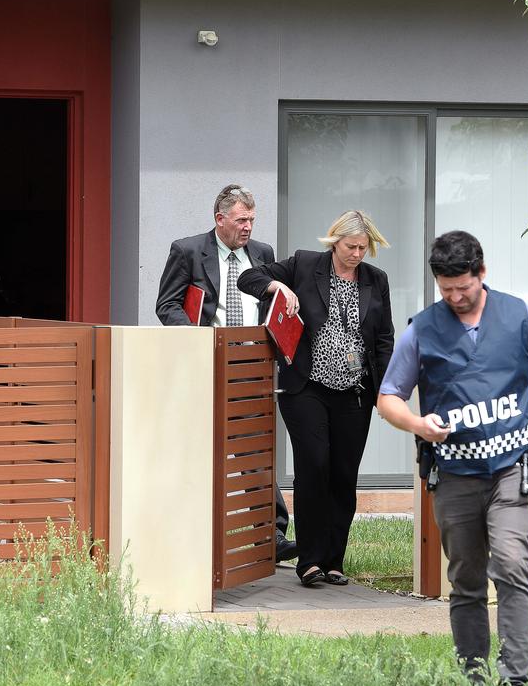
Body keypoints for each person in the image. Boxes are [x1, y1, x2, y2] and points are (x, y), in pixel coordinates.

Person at [377, 230, 528, 686]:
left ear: (482, 274)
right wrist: (417, 424)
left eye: (463, 288)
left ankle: (516, 683)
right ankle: (475, 680)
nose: (455, 297)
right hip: (454, 474)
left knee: (511, 564)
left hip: (514, 466)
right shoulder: (422, 329)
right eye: (446, 289)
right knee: (466, 579)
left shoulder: (520, 317)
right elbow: (388, 397)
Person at [238, 210, 394, 586]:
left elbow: (384, 338)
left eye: (363, 247)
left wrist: (388, 391)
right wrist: (279, 288)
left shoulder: (376, 280)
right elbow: (249, 277)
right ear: (334, 241)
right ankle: (308, 561)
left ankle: (334, 560)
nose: (357, 254)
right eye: (350, 246)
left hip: (354, 392)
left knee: (343, 476)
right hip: (307, 388)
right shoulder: (305, 265)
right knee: (314, 466)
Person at [156, 183, 297, 564]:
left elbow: (270, 303)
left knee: (256, 449)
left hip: (253, 366)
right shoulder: (187, 251)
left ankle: (271, 534)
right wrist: (193, 340)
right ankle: (189, 531)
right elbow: (166, 305)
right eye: (241, 220)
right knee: (202, 448)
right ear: (220, 220)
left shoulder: (262, 253)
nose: (248, 226)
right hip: (208, 362)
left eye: (252, 219)